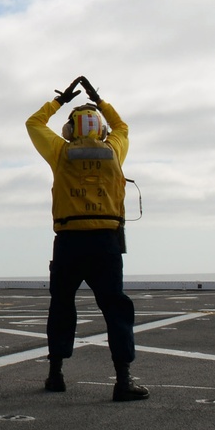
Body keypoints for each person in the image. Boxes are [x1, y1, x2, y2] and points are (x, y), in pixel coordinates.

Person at [26, 76, 149, 402]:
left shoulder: (60, 152)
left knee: (62, 306)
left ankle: (55, 374)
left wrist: (59, 101)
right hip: (106, 243)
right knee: (116, 309)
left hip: (69, 242)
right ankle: (123, 380)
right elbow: (122, 125)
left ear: (70, 130)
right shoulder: (114, 149)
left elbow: (33, 122)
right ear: (101, 129)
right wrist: (99, 98)